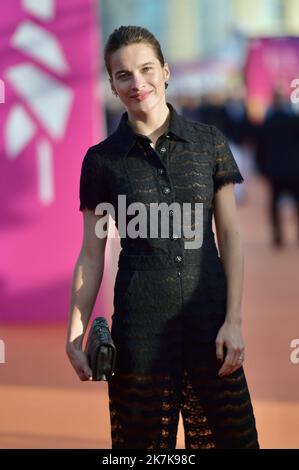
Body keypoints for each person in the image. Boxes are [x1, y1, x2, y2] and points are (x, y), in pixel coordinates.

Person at [66, 25, 259, 449]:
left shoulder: (209, 143)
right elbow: (92, 255)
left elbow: (229, 234)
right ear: (112, 85)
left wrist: (234, 321)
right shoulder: (101, 161)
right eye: (123, 75)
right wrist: (75, 330)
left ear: (166, 71)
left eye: (146, 69)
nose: (138, 83)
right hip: (140, 337)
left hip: (212, 330)